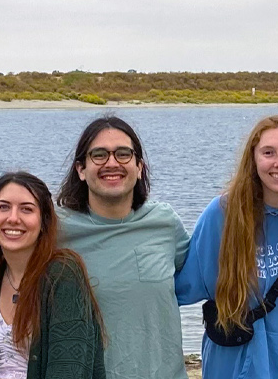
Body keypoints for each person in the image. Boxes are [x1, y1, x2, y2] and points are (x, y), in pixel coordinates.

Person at [176, 115, 278, 379]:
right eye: (268, 153)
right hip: (234, 360)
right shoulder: (222, 214)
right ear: (253, 159)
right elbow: (185, 287)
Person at [54, 115, 191, 379]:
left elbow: (202, 277)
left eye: (123, 154)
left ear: (139, 167)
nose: (112, 163)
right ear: (81, 169)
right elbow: (5, 263)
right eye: (99, 155)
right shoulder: (55, 229)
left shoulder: (164, 223)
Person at [0, 172, 107, 379]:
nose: (13, 218)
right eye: (3, 207)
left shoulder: (62, 275)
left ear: (44, 221)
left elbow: (68, 369)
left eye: (26, 209)